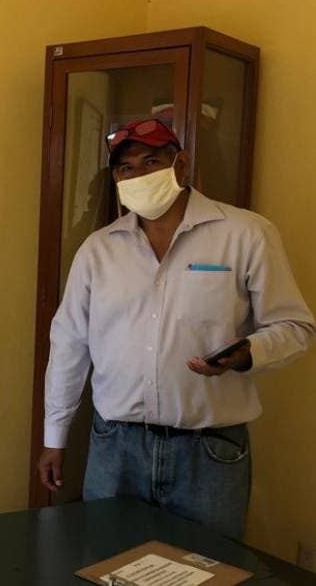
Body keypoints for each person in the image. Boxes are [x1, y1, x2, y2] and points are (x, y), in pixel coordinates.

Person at [37, 118, 315, 539]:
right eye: (126, 168)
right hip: (116, 447)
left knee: (208, 565)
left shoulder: (246, 234)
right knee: (109, 562)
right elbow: (69, 344)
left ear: (180, 165)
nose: (138, 175)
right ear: (116, 178)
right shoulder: (98, 250)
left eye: (151, 162)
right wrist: (54, 436)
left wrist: (247, 354)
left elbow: (295, 326)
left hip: (209, 451)